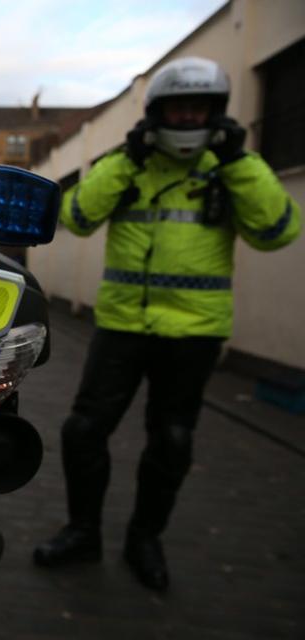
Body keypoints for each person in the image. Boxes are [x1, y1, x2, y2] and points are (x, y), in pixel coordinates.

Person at [32, 57, 301, 591]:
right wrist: (123, 161)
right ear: (156, 114)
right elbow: (76, 217)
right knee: (83, 430)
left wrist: (239, 163)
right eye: (176, 109)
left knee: (172, 440)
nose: (185, 120)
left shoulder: (231, 170)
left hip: (194, 332)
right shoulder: (131, 166)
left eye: (197, 109)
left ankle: (144, 539)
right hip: (122, 326)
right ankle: (83, 532)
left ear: (217, 115)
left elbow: (277, 230)